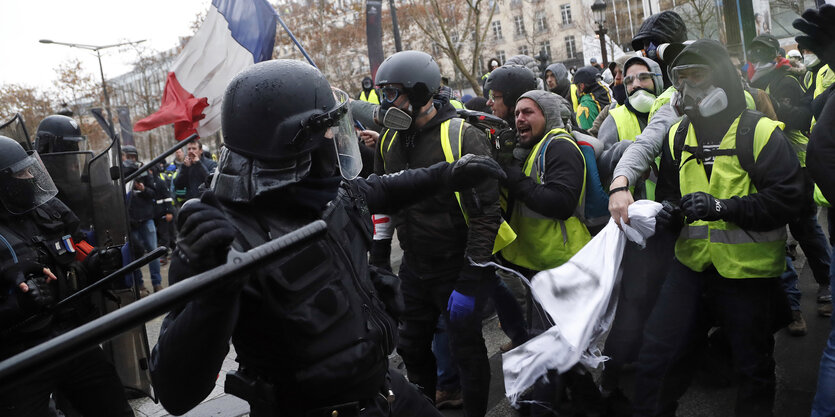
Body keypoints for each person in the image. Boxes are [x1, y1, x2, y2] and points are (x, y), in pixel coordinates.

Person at [150, 59, 507, 417]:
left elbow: (383, 188)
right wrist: (214, 297)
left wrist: (449, 174)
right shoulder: (223, 238)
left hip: (383, 389)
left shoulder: (326, 191)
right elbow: (177, 393)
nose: (336, 136)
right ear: (296, 140)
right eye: (328, 129)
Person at [635, 39, 802, 417]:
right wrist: (668, 214)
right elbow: (669, 194)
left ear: (723, 80)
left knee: (752, 366)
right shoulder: (678, 136)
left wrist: (725, 207)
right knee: (658, 356)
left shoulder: (759, 133)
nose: (688, 88)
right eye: (681, 78)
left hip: (746, 275)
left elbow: (790, 199)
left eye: (698, 76)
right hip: (691, 267)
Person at [373, 50, 505, 417]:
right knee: (412, 346)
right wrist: (380, 258)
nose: (385, 103)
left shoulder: (462, 135)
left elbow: (486, 213)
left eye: (392, 93)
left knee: (466, 347)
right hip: (415, 265)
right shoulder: (389, 140)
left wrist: (472, 274)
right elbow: (381, 199)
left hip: (457, 263)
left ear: (419, 93)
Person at [0, 136, 133, 417]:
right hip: (20, 357)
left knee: (114, 409)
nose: (30, 178)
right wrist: (17, 305)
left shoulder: (48, 210)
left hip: (72, 338)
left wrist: (97, 262)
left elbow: (78, 251)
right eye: (22, 173)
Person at [498, 90, 598, 416]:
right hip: (538, 264)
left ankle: (541, 406)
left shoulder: (560, 146)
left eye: (528, 112)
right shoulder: (532, 149)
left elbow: (560, 203)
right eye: (516, 114)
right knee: (559, 346)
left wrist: (515, 180)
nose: (520, 119)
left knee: (550, 344)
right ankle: (586, 402)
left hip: (561, 263)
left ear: (548, 114)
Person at [748, 33, 832, 322]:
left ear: (775, 54)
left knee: (805, 226)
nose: (757, 58)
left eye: (763, 52)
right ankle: (790, 305)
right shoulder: (752, 82)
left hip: (796, 162)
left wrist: (773, 106)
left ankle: (826, 283)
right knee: (774, 233)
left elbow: (802, 117)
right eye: (753, 53)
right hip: (767, 164)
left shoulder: (786, 79)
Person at [607, 10, 689, 225]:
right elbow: (647, 143)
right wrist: (621, 179)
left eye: (654, 47)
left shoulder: (674, 98)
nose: (649, 53)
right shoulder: (665, 101)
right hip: (656, 214)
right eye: (629, 80)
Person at [122, 145, 164, 294]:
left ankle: (157, 284)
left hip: (146, 218)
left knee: (153, 252)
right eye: (128, 157)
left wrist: (143, 189)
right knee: (135, 255)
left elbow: (153, 193)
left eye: (133, 157)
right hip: (131, 221)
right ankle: (140, 285)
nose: (131, 160)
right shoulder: (121, 172)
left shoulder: (144, 171)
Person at [573, 66, 612, 130]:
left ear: (581, 86)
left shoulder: (585, 106)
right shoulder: (609, 93)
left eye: (577, 86)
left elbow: (588, 135)